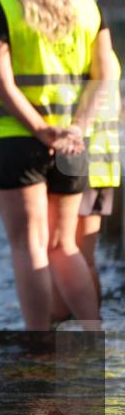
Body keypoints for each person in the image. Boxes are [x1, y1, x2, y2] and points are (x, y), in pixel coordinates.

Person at [0, 0, 115, 330]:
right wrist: (77, 127)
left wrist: (40, 129)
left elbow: (0, 81)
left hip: (16, 139)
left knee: (30, 247)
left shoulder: (3, 7)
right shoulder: (86, 6)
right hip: (73, 144)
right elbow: (106, 75)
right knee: (64, 246)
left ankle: (38, 344)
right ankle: (93, 332)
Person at [68, 49, 121, 319]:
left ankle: (75, 324)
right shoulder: (108, 58)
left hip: (78, 163)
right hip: (104, 164)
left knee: (64, 252)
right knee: (84, 257)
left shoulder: (85, 56)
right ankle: (92, 322)